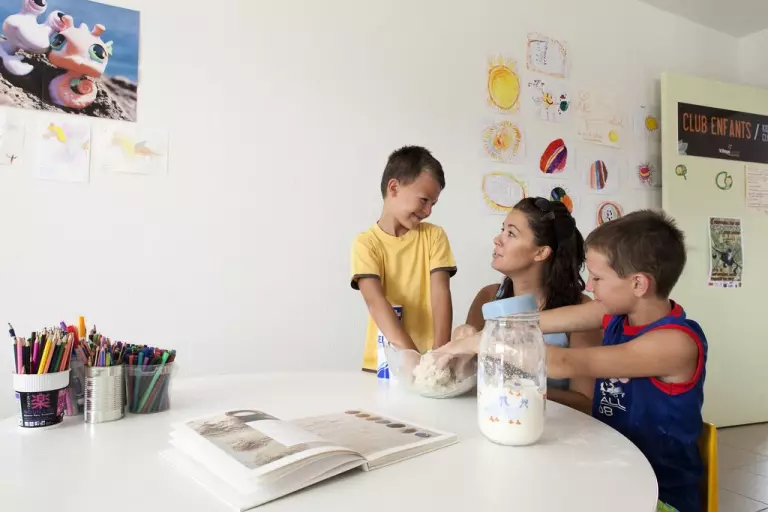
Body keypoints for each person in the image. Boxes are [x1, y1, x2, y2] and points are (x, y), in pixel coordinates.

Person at [442, 210, 706, 512]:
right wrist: (471, 336)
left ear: (638, 284)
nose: (589, 286)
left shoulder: (675, 343)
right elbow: (533, 320)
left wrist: (484, 343)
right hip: (609, 465)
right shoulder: (613, 314)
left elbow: (564, 362)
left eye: (597, 278)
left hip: (659, 492)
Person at [459, 197, 602, 413]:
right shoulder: (487, 297)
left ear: (541, 252)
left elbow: (585, 402)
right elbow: (465, 377)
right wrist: (460, 343)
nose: (497, 239)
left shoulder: (581, 309)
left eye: (511, 233)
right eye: (503, 230)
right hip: (492, 420)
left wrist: (517, 387)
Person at [350, 146, 457, 372]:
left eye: (433, 204)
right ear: (394, 188)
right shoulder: (366, 244)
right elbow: (375, 301)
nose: (428, 211)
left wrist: (438, 355)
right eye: (424, 200)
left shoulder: (434, 236)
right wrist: (413, 358)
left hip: (429, 362)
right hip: (383, 365)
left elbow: (441, 294)